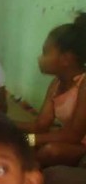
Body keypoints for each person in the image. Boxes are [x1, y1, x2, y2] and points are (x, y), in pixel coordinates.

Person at [16, 13, 86, 167]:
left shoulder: (84, 84)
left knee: (50, 151)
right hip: (69, 141)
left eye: (45, 53)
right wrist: (4, 122)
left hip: (80, 145)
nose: (40, 58)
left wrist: (28, 140)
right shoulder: (56, 83)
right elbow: (40, 125)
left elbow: (73, 136)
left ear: (65, 59)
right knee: (15, 140)